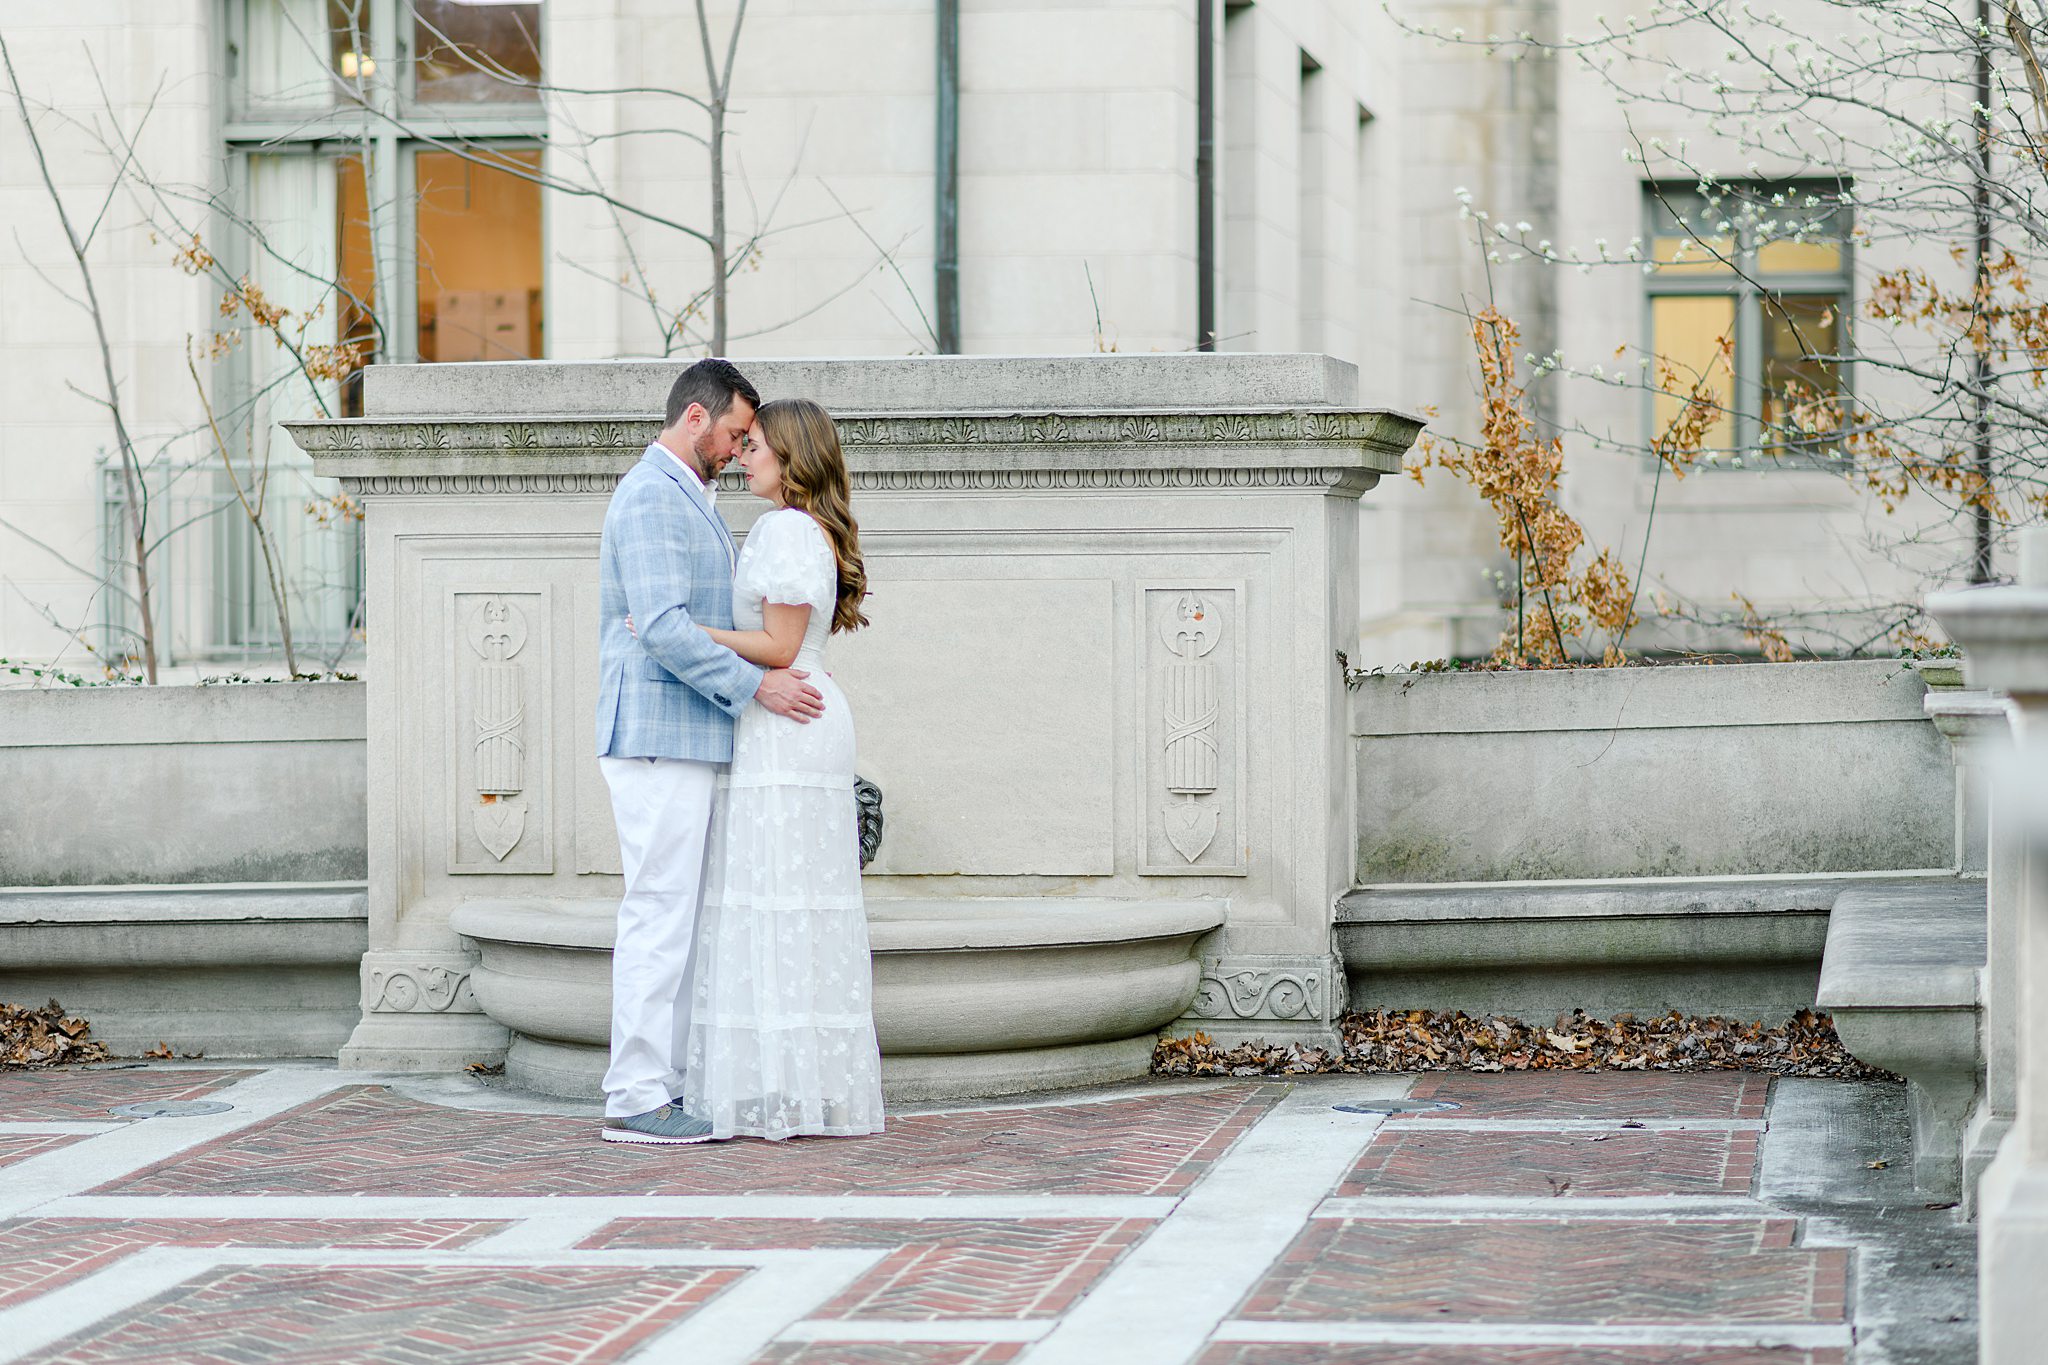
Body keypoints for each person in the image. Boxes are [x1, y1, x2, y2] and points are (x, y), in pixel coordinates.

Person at [594, 359, 823, 1146]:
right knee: (659, 911)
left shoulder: (687, 494)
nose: (737, 448)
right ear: (695, 418)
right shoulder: (653, 495)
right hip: (658, 735)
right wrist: (758, 686)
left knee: (677, 915)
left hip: (683, 733)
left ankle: (662, 1084)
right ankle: (636, 1092)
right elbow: (661, 627)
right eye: (733, 432)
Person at [677, 398, 885, 1140]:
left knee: (777, 897)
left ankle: (779, 1089)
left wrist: (686, 630)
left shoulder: (787, 528)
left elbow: (779, 647)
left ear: (793, 454)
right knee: (788, 899)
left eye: (756, 444)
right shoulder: (800, 527)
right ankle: (795, 1084)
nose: (742, 455)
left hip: (786, 721)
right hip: (795, 715)